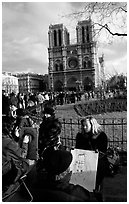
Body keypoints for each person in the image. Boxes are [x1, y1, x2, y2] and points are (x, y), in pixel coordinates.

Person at [2, 115, 35, 199]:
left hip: (4, 164)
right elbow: (22, 155)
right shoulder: (8, 143)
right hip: (7, 172)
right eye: (12, 126)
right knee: (32, 163)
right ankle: (27, 192)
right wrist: (25, 143)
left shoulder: (5, 139)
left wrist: (14, 136)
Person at [76, 116, 109, 190]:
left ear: (92, 125)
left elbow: (103, 151)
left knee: (98, 168)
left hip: (98, 160)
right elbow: (78, 148)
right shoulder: (80, 136)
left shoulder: (101, 136)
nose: (84, 127)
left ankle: (96, 187)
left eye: (86, 125)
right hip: (83, 159)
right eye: (83, 125)